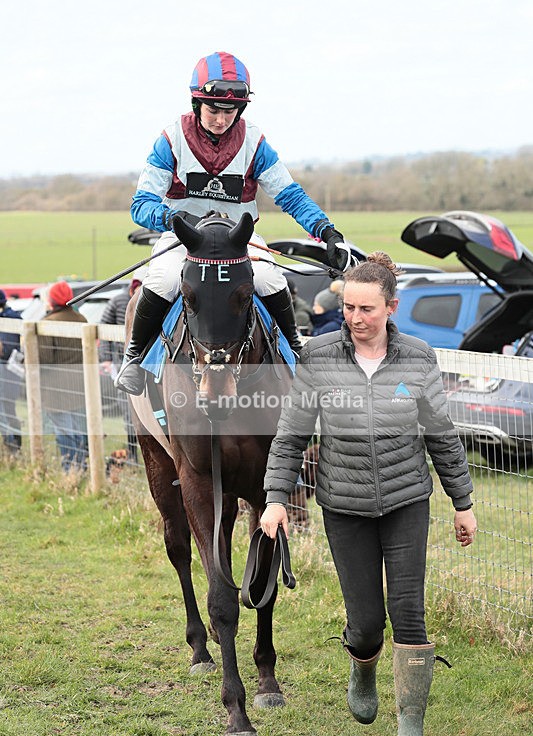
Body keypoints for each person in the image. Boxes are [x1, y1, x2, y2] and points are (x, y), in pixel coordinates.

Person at [260, 252, 477, 736]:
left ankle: (411, 735)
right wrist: (274, 499)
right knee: (365, 623)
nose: (356, 319)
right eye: (349, 308)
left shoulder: (419, 357)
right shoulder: (318, 358)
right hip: (345, 505)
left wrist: (462, 502)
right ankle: (363, 665)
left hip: (407, 501)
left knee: (409, 614)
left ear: (391, 307)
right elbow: (292, 436)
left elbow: (442, 436)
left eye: (367, 309)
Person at [115, 51, 352, 395]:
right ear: (197, 104)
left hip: (238, 239)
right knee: (164, 278)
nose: (221, 119)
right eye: (213, 110)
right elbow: (141, 205)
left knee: (271, 277)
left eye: (230, 112)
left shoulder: (255, 142)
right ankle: (133, 359)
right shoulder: (170, 140)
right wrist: (175, 217)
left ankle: (296, 350)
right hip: (184, 237)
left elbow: (290, 195)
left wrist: (327, 232)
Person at [38, 281, 89, 472]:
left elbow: (43, 359)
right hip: (79, 382)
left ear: (51, 300)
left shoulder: (47, 323)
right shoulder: (81, 318)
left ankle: (70, 468)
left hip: (55, 387)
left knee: (64, 429)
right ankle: (81, 466)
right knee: (77, 427)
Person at [99, 270, 146, 463]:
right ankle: (133, 453)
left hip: (147, 360)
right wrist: (106, 358)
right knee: (128, 410)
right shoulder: (118, 301)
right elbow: (103, 329)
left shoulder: (154, 300)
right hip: (123, 362)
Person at [0, 289, 23, 454]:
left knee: (7, 410)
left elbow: (5, 350)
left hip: (8, 374)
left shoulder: (10, 319)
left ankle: (12, 448)